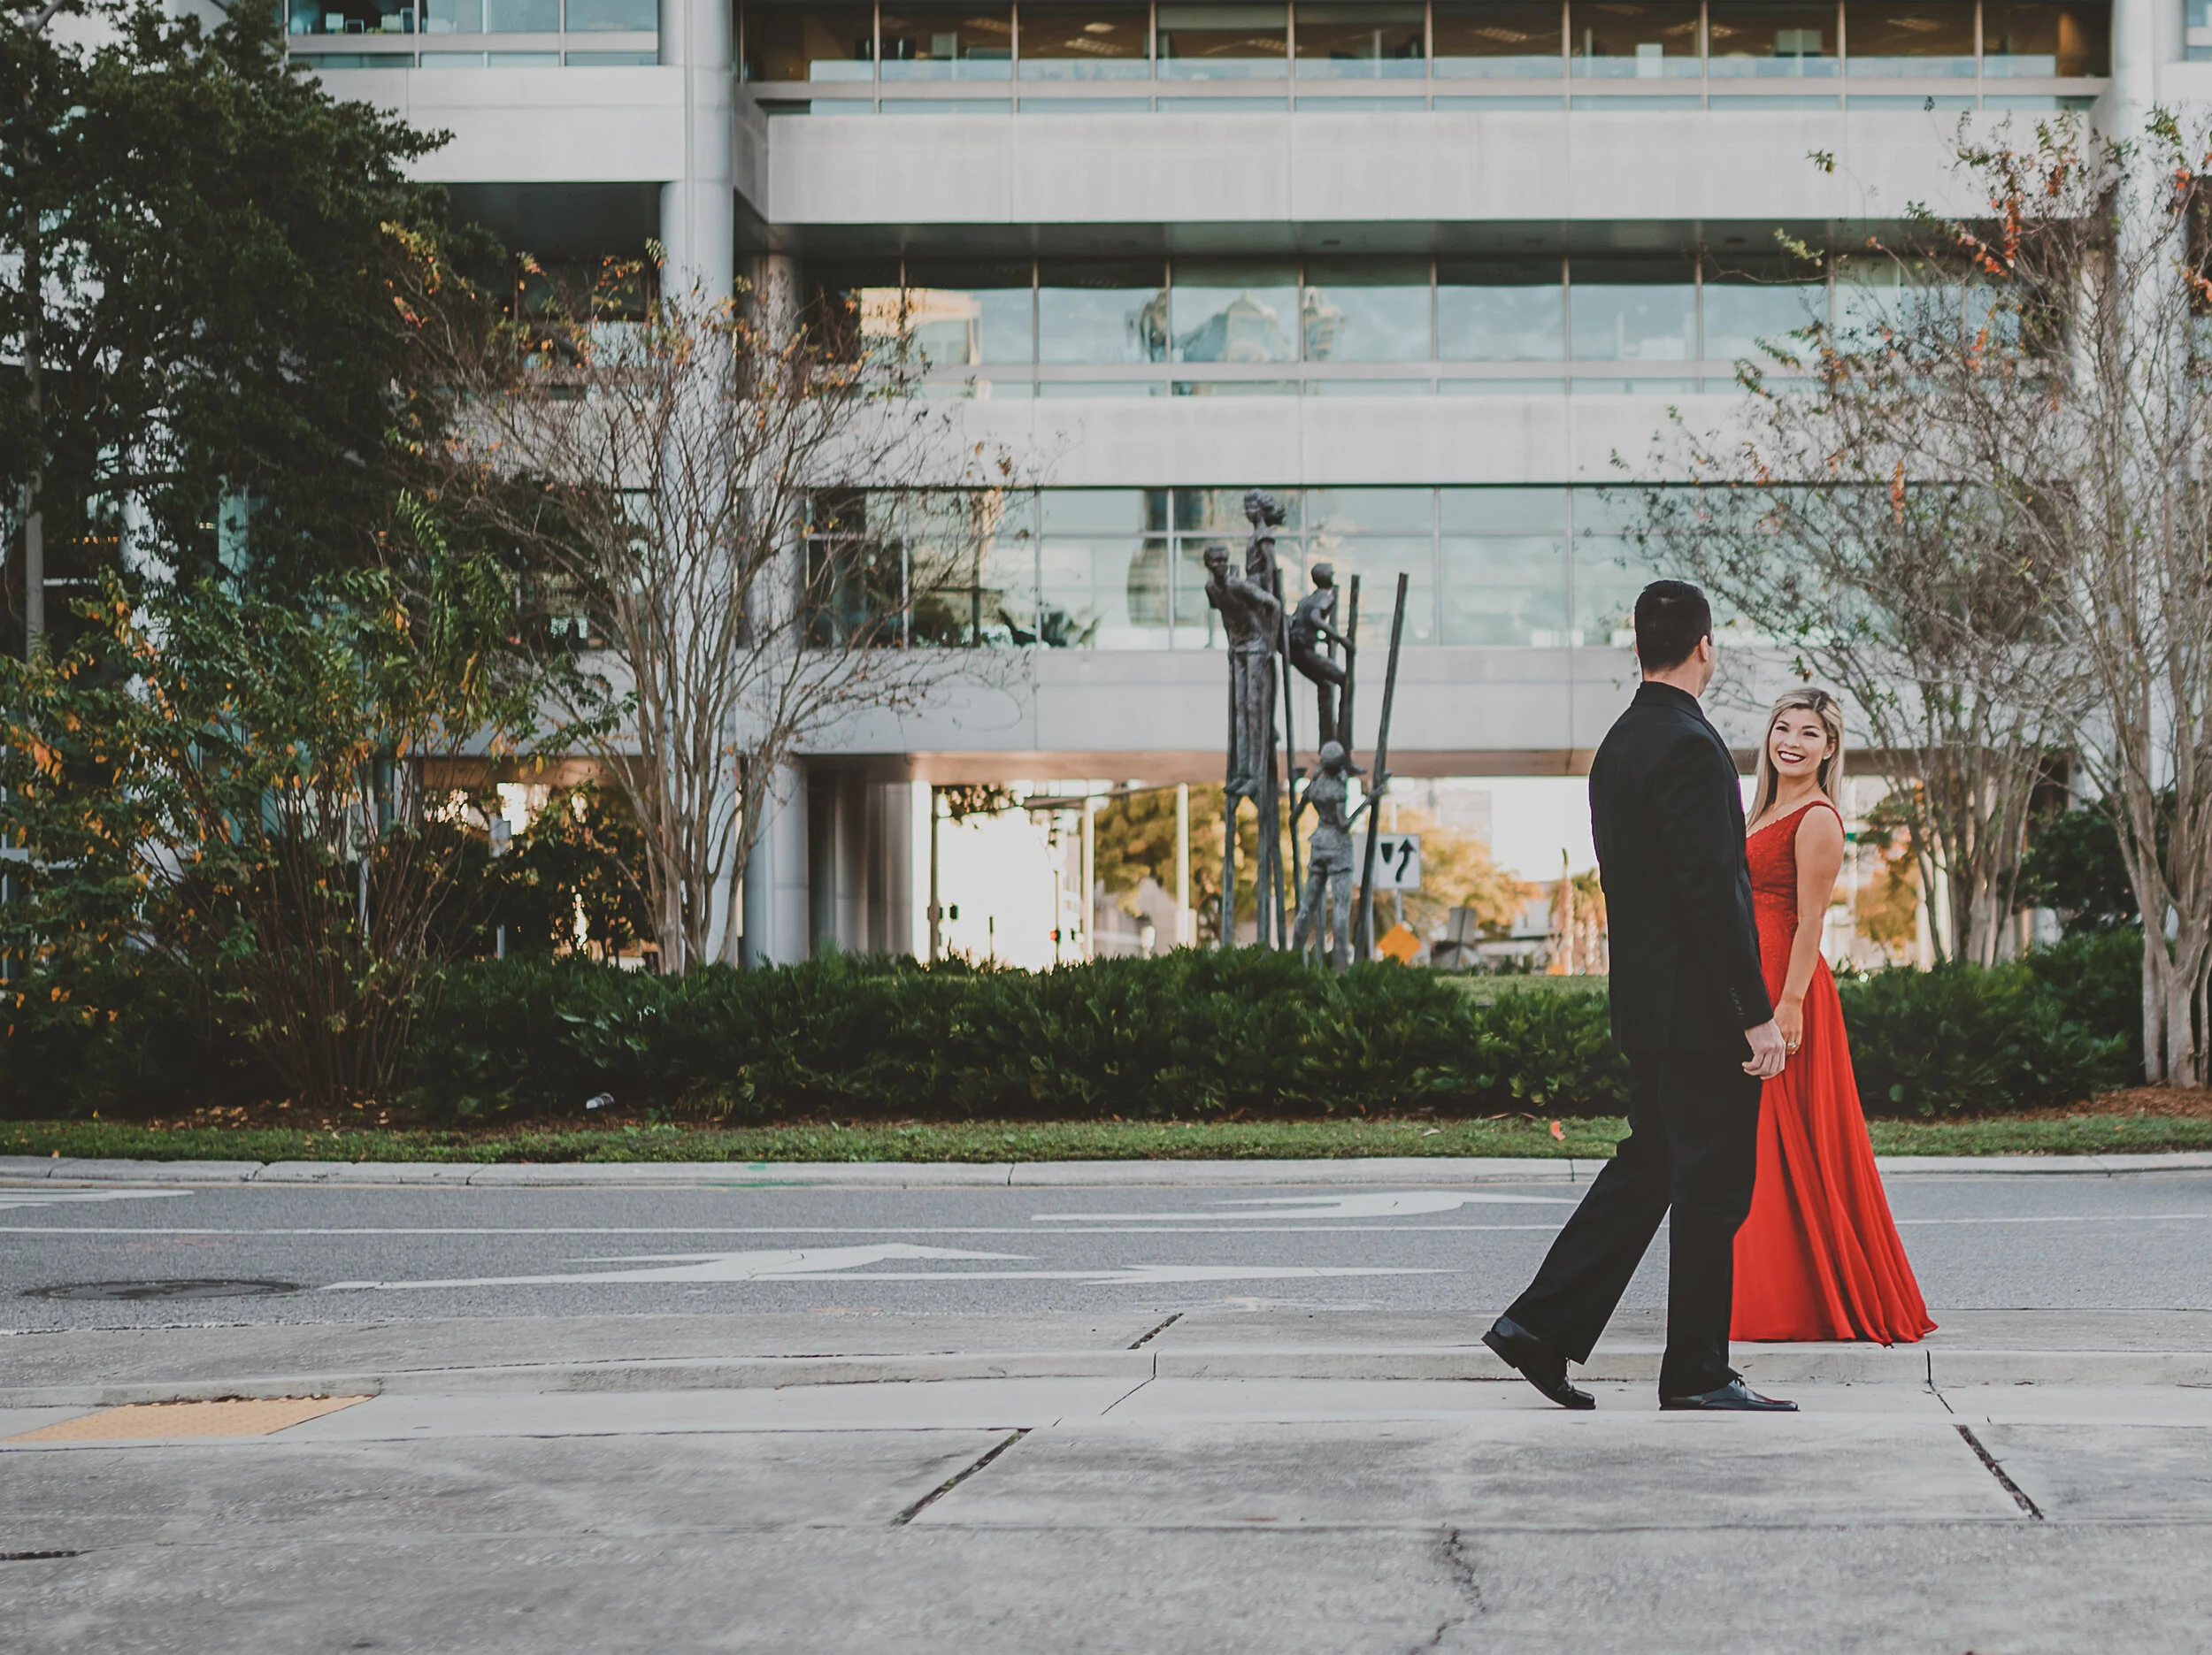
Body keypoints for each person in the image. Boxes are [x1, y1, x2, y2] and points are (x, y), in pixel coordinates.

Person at [1483, 580, 1796, 1413]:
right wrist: (1756, 1013)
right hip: (1702, 1015)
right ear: (1706, 647)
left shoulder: (1620, 743)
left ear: (1638, 648)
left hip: (1650, 1008)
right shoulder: (1691, 745)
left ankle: (1537, 1328)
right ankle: (1695, 1371)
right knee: (1715, 1186)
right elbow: (1711, 893)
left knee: (1652, 1165)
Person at [1732, 689, 1936, 1344]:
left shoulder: (1817, 817)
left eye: (1808, 732)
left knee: (1786, 1141)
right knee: (1760, 1143)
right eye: (1782, 727)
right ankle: (1771, 1291)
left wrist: (1788, 1004)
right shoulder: (1766, 807)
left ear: (1830, 747)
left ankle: (1800, 1300)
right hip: (1754, 979)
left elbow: (1812, 920)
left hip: (1785, 988)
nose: (1791, 740)